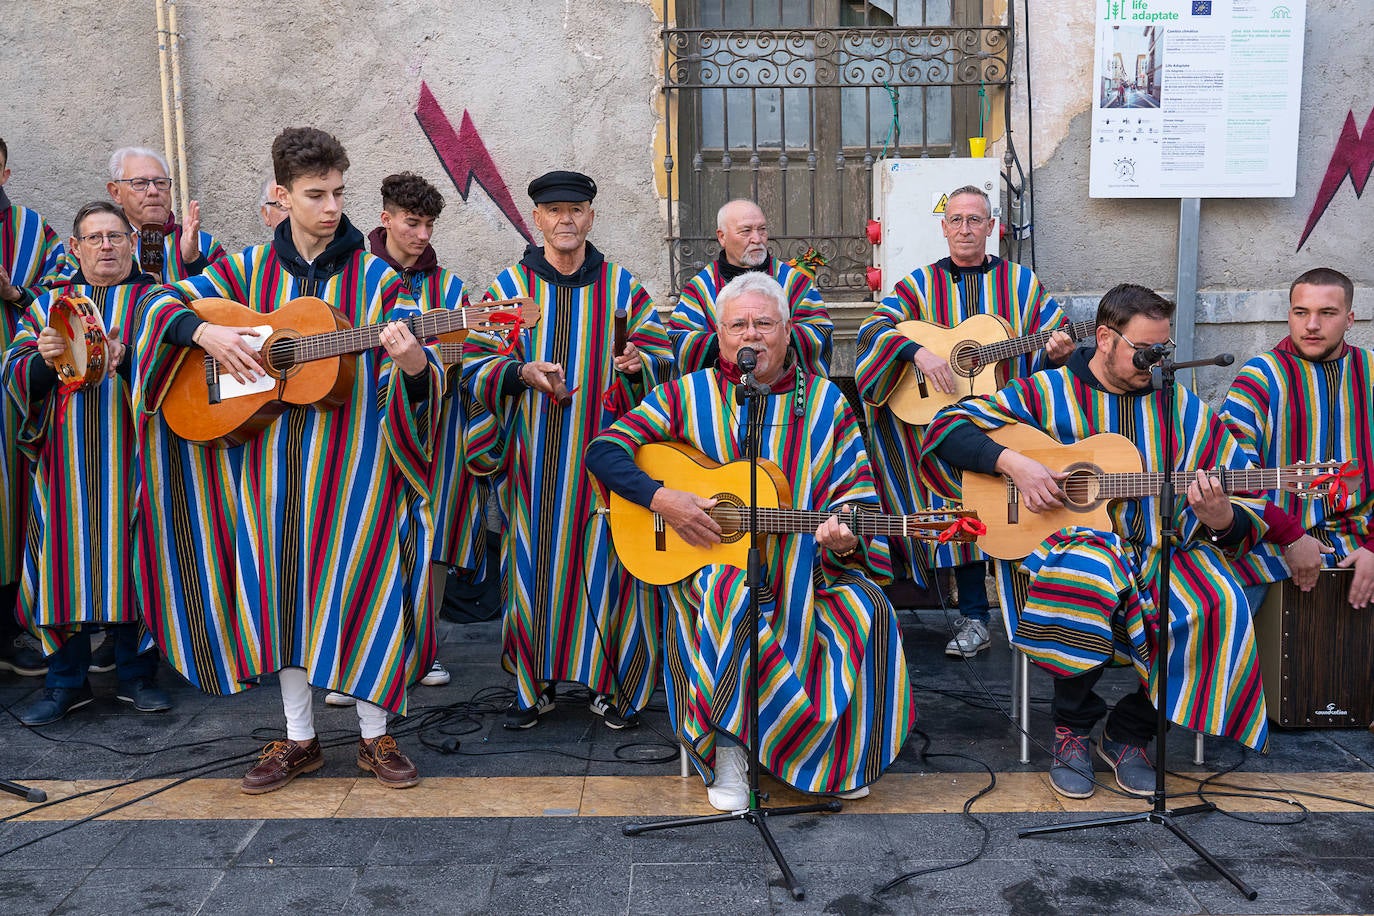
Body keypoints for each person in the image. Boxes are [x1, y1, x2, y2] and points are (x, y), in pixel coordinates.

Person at [133, 127, 440, 792]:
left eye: (338, 193)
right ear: (282, 194)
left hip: (357, 472)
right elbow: (155, 303)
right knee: (281, 596)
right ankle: (299, 738)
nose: (331, 207)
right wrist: (205, 332)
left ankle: (376, 736)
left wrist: (415, 363)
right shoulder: (244, 271)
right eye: (315, 194)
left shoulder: (379, 279)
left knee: (367, 588)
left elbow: (425, 376)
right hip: (262, 472)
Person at [919, 283, 1269, 799]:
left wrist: (1222, 518)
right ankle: (1072, 730)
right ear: (1105, 338)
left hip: (1156, 551)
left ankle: (1131, 732)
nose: (1155, 361)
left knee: (1220, 600)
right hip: (1061, 552)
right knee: (1089, 570)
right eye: (1143, 350)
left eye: (1163, 349)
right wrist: (1013, 463)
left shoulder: (1179, 406)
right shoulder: (1047, 391)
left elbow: (1245, 498)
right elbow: (946, 428)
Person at [586, 272, 915, 810]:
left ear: (787, 332)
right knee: (730, 592)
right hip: (708, 568)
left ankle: (828, 759)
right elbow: (603, 450)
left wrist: (843, 539)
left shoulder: (826, 402)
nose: (751, 335)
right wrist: (662, 498)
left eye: (764, 323)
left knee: (868, 606)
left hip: (811, 572)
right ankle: (730, 752)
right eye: (737, 325)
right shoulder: (684, 395)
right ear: (719, 335)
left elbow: (856, 496)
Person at [462, 169, 673, 731]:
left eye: (576, 210)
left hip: (607, 468)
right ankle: (534, 689)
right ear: (537, 219)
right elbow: (475, 365)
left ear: (591, 217)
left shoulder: (624, 288)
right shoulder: (509, 289)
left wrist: (639, 366)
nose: (565, 220)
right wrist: (519, 373)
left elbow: (663, 362)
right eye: (554, 211)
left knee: (609, 570)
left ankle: (612, 686)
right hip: (532, 464)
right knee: (532, 569)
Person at [856, 185, 1074, 659]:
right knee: (961, 512)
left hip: (1006, 419)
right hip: (941, 427)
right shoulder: (919, 285)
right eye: (956, 220)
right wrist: (916, 352)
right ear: (943, 227)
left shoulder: (1022, 284)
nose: (965, 228)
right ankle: (974, 617)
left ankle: (1035, 620)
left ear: (992, 226)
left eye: (975, 220)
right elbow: (874, 330)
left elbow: (1053, 341)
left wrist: (1058, 352)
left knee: (1015, 508)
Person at [5, 201, 173, 724]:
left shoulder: (156, 300)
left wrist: (132, 359)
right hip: (65, 465)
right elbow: (13, 372)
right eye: (94, 238)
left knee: (136, 558)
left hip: (137, 461)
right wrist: (43, 360)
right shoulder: (47, 306)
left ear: (131, 243)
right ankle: (65, 682)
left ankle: (137, 676)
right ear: (75, 248)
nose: (105, 246)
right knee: (62, 563)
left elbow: (183, 368)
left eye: (115, 236)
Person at [323, 170, 467, 707]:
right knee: (358, 539)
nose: (422, 234)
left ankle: (423, 651)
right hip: (359, 431)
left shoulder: (450, 290)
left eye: (430, 224)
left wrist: (429, 362)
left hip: (432, 432)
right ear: (385, 219)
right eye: (412, 223)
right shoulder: (352, 278)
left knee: (430, 541)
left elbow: (467, 354)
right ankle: (351, 665)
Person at [1220, 267, 1374, 611]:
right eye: (1301, 312)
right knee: (1227, 616)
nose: (1312, 325)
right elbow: (1234, 476)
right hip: (1270, 545)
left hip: (1360, 542)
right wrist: (1291, 537)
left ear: (1350, 319)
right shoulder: (1260, 377)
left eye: (1327, 313)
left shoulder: (1370, 371)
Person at [0, 136, 66, 678]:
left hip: (11, 395)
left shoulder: (31, 230)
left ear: (5, 173)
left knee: (12, 504)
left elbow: (62, 291)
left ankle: (8, 631)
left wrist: (15, 294)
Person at [668, 198, 831, 375]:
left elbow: (819, 332)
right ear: (722, 237)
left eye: (762, 230)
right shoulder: (701, 288)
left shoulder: (795, 282)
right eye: (746, 231)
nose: (757, 239)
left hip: (784, 389)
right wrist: (729, 341)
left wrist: (773, 337)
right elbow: (679, 340)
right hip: (719, 390)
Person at [57, 146, 225, 283]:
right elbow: (62, 299)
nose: (153, 191)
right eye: (139, 183)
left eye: (161, 183)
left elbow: (229, 303)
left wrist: (194, 260)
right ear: (116, 192)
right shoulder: (92, 245)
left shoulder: (203, 244)